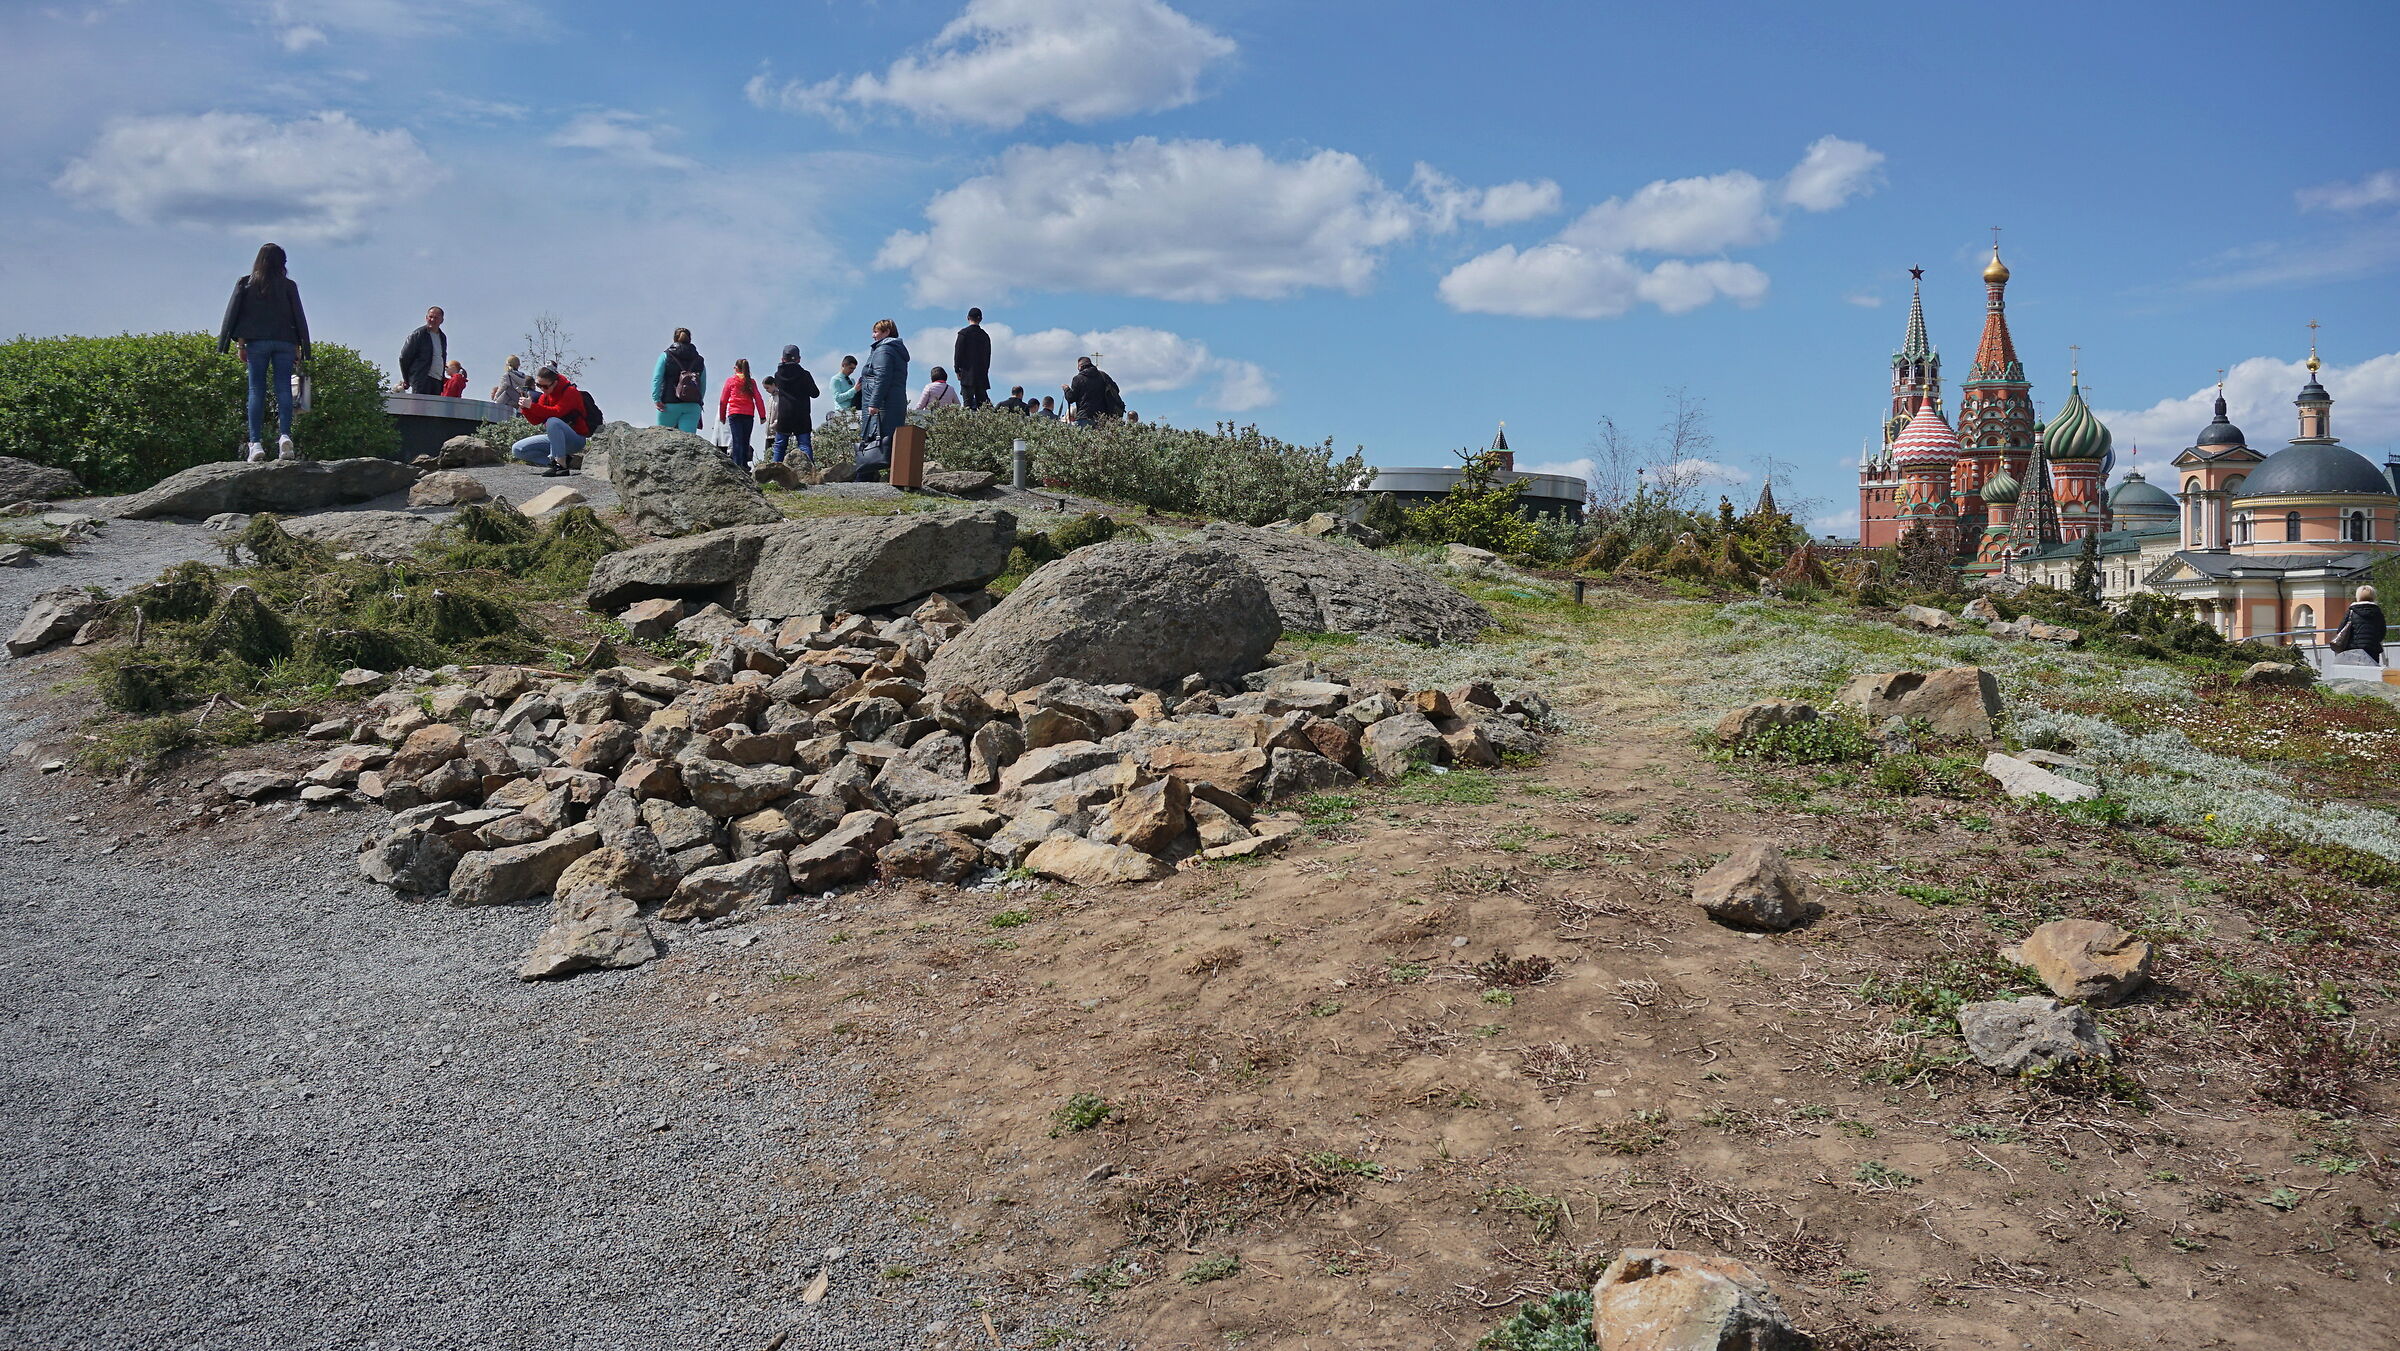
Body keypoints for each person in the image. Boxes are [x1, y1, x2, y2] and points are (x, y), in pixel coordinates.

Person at [215, 241, 310, 462]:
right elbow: (298, 316)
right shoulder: (289, 286)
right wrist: (300, 348)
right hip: (285, 342)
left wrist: (239, 345)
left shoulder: (246, 283)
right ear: (282, 263)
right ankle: (285, 437)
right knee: (284, 389)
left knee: (256, 390)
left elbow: (236, 314)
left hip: (256, 343)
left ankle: (255, 444)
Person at [510, 365, 591, 478]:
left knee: (552, 421)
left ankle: (561, 466)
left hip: (576, 439)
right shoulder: (545, 396)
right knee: (518, 449)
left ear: (555, 383)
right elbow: (536, 421)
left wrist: (532, 406)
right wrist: (525, 408)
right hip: (555, 438)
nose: (542, 389)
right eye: (538, 385)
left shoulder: (570, 392)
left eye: (545, 386)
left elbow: (557, 412)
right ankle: (560, 461)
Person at [854, 319, 909, 483]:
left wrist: (874, 403)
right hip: (893, 402)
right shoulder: (896, 350)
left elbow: (882, 377)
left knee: (873, 439)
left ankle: (863, 480)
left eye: (876, 332)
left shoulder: (883, 350)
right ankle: (890, 478)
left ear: (886, 332)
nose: (873, 335)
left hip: (883, 403)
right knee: (888, 440)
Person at [768, 345, 819, 465]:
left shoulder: (778, 375)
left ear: (782, 359)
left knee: (780, 446)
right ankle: (809, 471)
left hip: (784, 414)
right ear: (798, 359)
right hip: (802, 414)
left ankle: (774, 472)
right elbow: (815, 393)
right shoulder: (805, 374)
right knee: (804, 445)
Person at [651, 328, 706, 432]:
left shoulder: (665, 356)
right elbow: (703, 384)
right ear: (690, 339)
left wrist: (656, 399)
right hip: (692, 405)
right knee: (688, 439)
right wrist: (699, 401)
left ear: (674, 339)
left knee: (663, 437)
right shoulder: (699, 359)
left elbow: (657, 378)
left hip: (668, 404)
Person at [718, 357, 764, 468]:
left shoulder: (731, 381)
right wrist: (762, 416)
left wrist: (722, 416)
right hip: (748, 414)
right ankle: (744, 464)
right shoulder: (751, 382)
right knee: (745, 440)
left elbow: (723, 400)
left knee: (737, 440)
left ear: (736, 368)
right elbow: (758, 398)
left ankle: (737, 465)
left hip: (735, 413)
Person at [2330, 584, 2388, 664]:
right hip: (2373, 650)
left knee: (2355, 671)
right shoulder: (2377, 613)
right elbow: (2382, 632)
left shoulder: (2351, 612)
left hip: (2353, 650)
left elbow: (2341, 630)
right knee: (2372, 670)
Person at [398, 306, 447, 395]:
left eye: (436, 318)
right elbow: (404, 357)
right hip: (421, 380)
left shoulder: (442, 337)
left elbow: (442, 357)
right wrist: (407, 379)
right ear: (426, 318)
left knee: (435, 404)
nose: (432, 320)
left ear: (441, 320)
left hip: (437, 380)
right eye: (430, 317)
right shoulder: (418, 334)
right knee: (420, 404)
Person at [1063, 355, 1122, 427]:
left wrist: (1066, 389)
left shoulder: (1078, 379)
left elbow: (1071, 398)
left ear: (1080, 366)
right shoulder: (1103, 376)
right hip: (1102, 417)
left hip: (1084, 416)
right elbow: (1116, 390)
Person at [953, 307, 992, 410]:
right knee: (982, 407)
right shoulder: (985, 336)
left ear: (968, 318)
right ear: (981, 319)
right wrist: (985, 372)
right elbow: (987, 358)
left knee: (967, 405)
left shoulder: (963, 334)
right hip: (981, 376)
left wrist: (957, 370)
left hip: (967, 374)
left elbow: (958, 354)